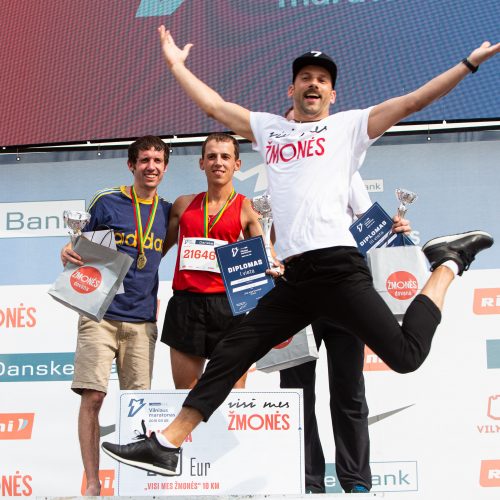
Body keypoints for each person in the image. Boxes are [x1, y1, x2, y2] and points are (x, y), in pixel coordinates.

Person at [101, 29, 497, 477]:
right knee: (234, 350)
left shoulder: (350, 127)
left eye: (322, 79)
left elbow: (414, 101)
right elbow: (214, 106)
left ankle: (446, 262)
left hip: (339, 269)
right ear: (291, 89)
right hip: (294, 279)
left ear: (332, 92)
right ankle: (167, 444)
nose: (313, 83)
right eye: (305, 77)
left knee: (405, 357)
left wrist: (468, 65)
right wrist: (176, 66)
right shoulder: (270, 130)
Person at [279, 106, 408, 494]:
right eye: (291, 125)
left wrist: (396, 229)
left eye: (304, 124)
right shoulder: (278, 178)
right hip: (298, 297)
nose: (298, 130)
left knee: (349, 390)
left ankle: (356, 483)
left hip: (343, 294)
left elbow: (369, 224)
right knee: (296, 393)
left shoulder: (345, 172)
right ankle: (307, 481)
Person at [61, 135, 172, 495]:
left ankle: (134, 487)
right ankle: (92, 484)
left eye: (157, 161)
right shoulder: (107, 202)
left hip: (142, 321)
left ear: (165, 167)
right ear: (131, 165)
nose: (151, 167)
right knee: (92, 397)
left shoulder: (168, 211)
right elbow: (80, 252)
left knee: (137, 409)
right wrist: (68, 250)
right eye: (144, 161)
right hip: (101, 316)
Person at [161, 132, 271, 390]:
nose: (218, 162)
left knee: (233, 396)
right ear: (202, 163)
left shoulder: (248, 208)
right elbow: (156, 249)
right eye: (211, 156)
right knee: (187, 396)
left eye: (225, 157)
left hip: (230, 306)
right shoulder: (183, 204)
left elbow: (266, 253)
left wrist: (278, 265)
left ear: (237, 164)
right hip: (186, 306)